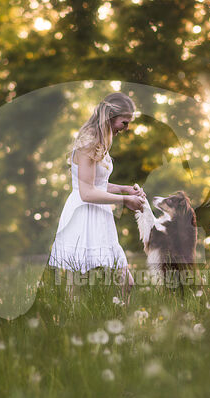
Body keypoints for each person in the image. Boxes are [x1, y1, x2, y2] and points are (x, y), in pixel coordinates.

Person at [48, 92, 145, 303]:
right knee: (78, 288)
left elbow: (97, 183)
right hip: (83, 216)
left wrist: (125, 189)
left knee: (126, 282)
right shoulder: (89, 141)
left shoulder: (101, 139)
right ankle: (73, 327)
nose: (126, 128)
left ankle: (122, 326)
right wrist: (125, 201)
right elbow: (86, 192)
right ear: (111, 115)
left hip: (100, 215)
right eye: (124, 122)